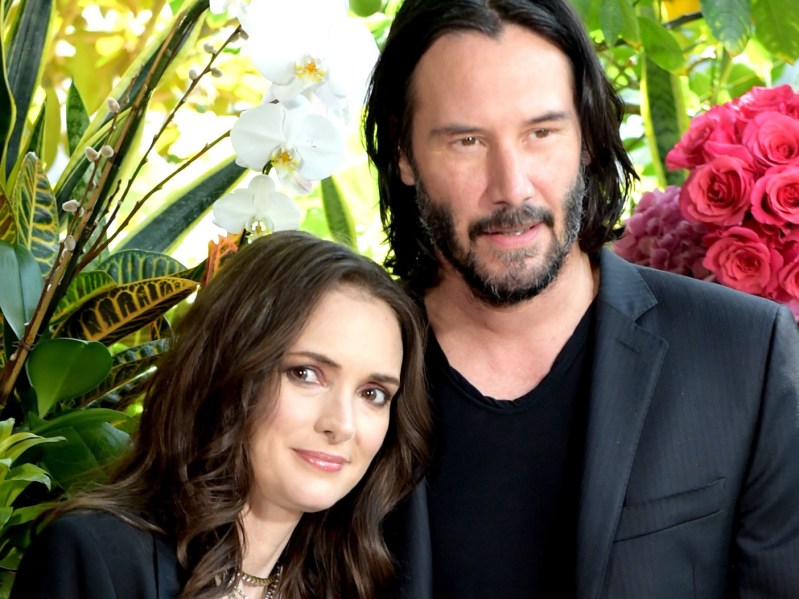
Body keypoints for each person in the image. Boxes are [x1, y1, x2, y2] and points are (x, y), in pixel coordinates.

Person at [363, 0, 799, 597]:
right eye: (466, 141)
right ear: (406, 154)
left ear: (589, 136)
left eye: (541, 133)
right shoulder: (333, 371)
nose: (510, 187)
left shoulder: (744, 353)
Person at [10, 230, 430, 599]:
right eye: (306, 374)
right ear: (228, 371)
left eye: (373, 393)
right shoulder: (94, 558)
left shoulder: (352, 585)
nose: (341, 424)